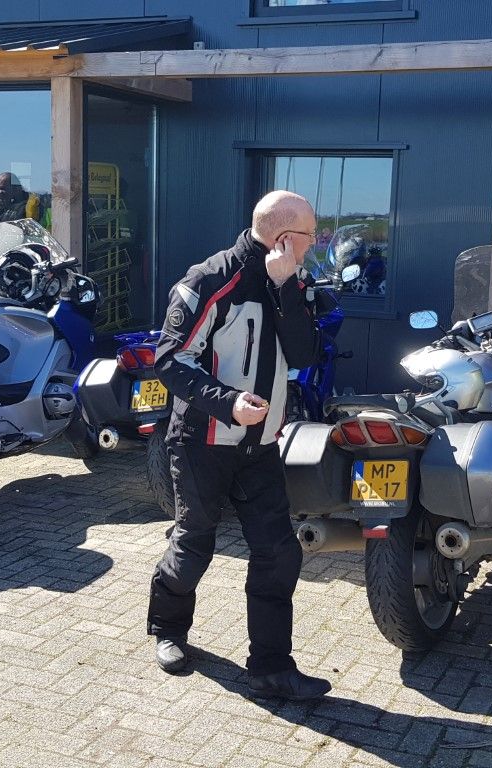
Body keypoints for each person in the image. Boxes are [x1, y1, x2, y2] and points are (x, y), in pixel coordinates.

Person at [147, 190, 329, 700]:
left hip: (261, 446)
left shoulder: (292, 281)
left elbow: (304, 353)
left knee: (279, 553)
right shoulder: (209, 279)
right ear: (285, 237)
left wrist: (285, 287)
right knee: (194, 546)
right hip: (201, 442)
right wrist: (227, 403)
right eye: (310, 236)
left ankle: (271, 668)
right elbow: (169, 360)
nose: (314, 245)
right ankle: (168, 628)